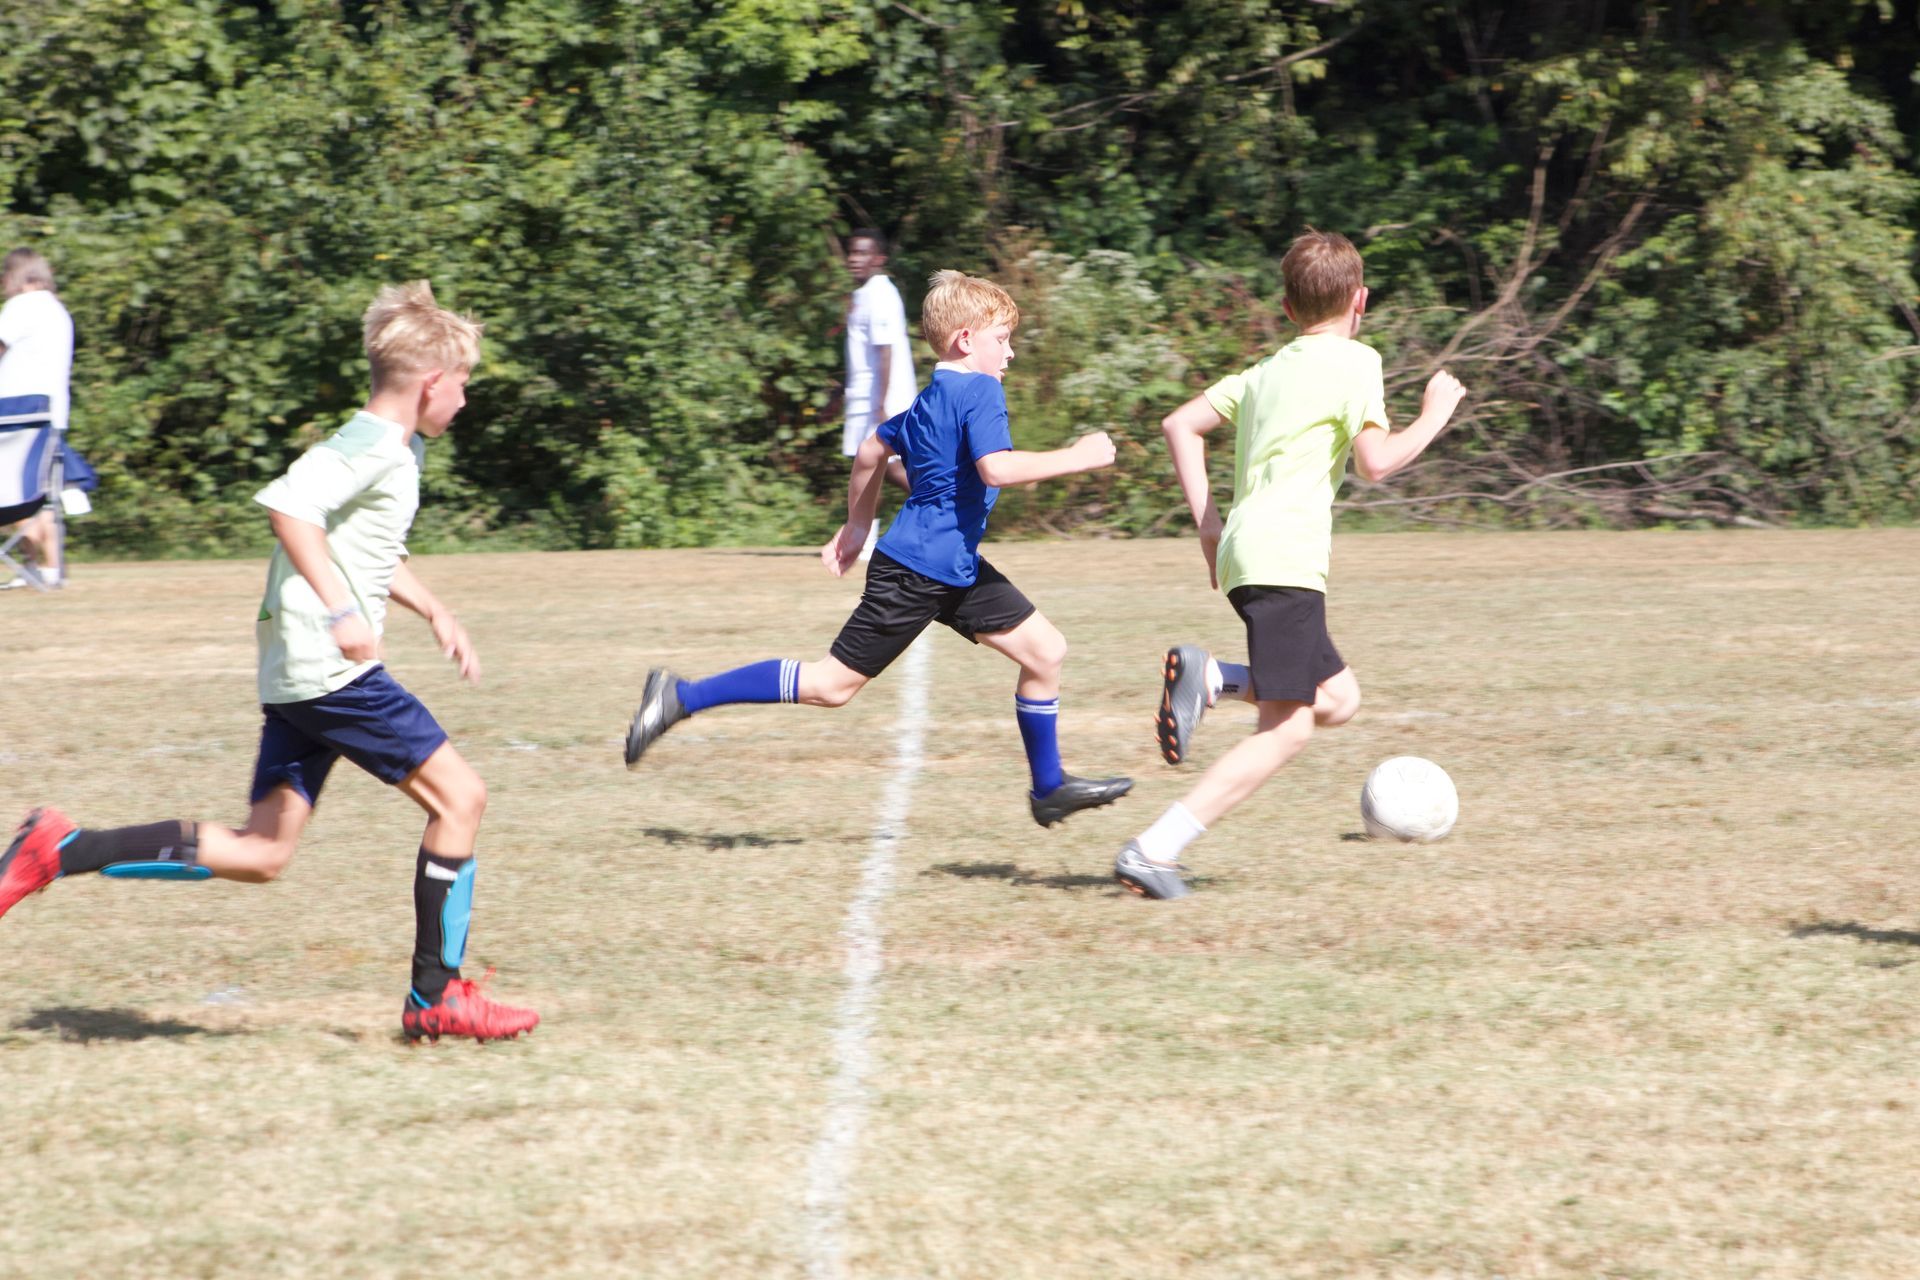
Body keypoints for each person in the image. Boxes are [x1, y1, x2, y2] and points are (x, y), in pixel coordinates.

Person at [0, 281, 540, 1041]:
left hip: (298, 673)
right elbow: (291, 509)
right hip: (333, 672)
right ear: (430, 382)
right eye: (463, 383)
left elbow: (367, 549)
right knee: (462, 799)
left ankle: (63, 847)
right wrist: (343, 613)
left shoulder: (393, 445)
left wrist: (433, 609)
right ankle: (436, 997)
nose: (465, 399)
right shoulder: (373, 447)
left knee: (263, 853)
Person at [627, 268, 1133, 828]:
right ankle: (681, 696)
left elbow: (872, 448)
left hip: (951, 566)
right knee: (830, 686)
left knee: (1045, 651)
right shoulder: (980, 390)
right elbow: (996, 469)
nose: (1010, 352)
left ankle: (1049, 788)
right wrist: (1079, 456)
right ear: (967, 340)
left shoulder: (932, 398)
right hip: (917, 573)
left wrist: (856, 527)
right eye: (1002, 338)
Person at [1114, 230, 1467, 899]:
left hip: (1248, 553)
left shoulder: (1264, 372)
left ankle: (1214, 677)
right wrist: (1434, 414)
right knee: (1287, 731)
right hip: (1285, 559)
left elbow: (1179, 424)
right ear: (1360, 300)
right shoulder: (1357, 360)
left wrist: (1208, 523)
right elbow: (1377, 462)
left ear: (1286, 308)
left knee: (1339, 699)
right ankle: (1152, 849)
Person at [0, 248, 74, 584]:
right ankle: (48, 568)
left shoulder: (22, 306)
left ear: (16, 275)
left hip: (14, 414)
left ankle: (35, 566)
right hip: (50, 415)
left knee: (12, 487)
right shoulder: (57, 311)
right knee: (39, 492)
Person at [842, 227, 916, 554]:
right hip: (867, 397)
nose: (854, 259)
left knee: (883, 467)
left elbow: (885, 351)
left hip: (882, 399)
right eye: (852, 252)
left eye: (862, 253)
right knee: (877, 468)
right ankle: (866, 539)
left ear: (879, 259)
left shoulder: (881, 294)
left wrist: (882, 404)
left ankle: (949, 512)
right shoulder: (864, 294)